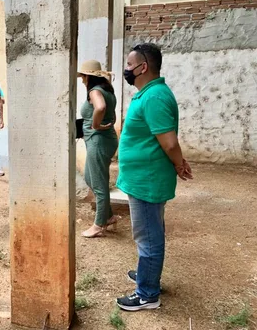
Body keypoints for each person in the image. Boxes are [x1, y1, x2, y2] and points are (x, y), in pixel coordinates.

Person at [116, 43, 193, 311]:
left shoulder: (155, 97)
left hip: (147, 181)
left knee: (148, 236)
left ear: (143, 67)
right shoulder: (148, 94)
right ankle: (148, 274)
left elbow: (169, 143)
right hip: (142, 178)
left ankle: (148, 293)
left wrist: (179, 163)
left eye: (129, 64)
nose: (126, 69)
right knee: (149, 232)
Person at [78, 60, 119, 238]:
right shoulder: (108, 90)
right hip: (104, 139)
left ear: (88, 77)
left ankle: (99, 224)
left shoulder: (95, 91)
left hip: (99, 140)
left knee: (99, 183)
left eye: (83, 77)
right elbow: (112, 113)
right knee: (90, 177)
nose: (81, 80)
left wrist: (95, 125)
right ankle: (108, 216)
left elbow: (100, 108)